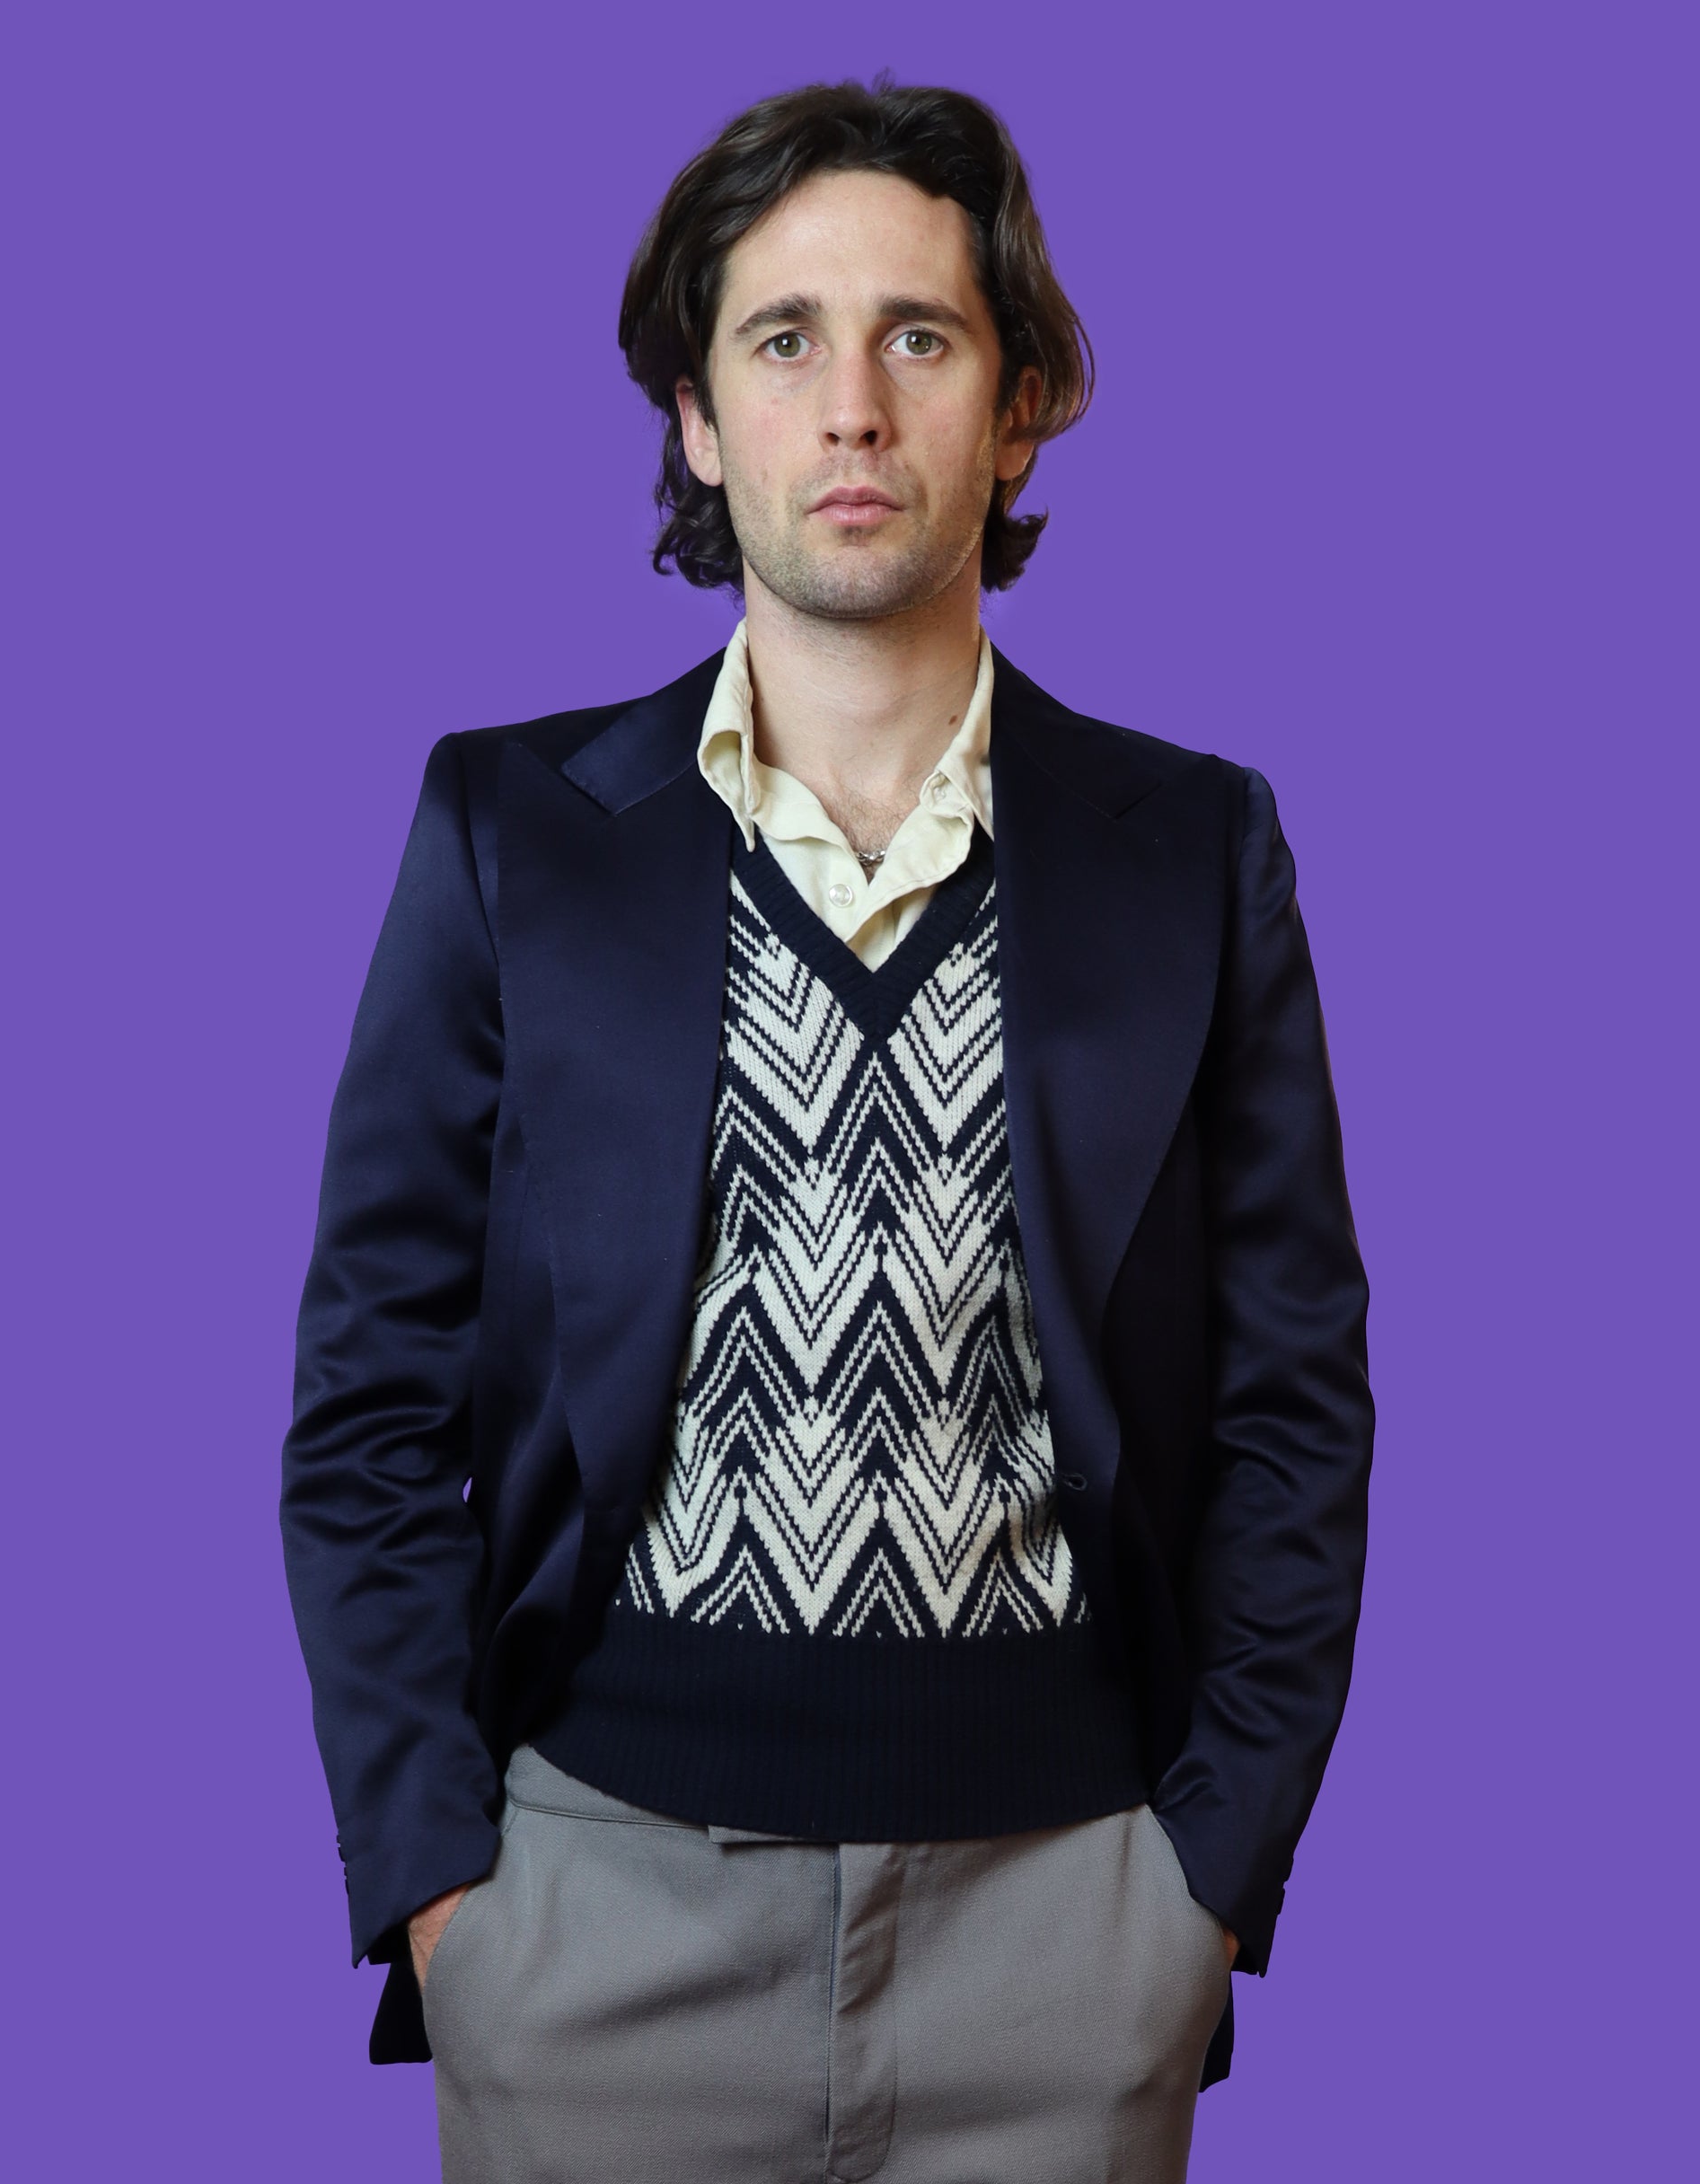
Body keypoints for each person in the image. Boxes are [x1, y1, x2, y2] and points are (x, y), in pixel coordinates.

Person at [281, 76, 1373, 2184]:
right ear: (698, 417)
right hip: (588, 1921)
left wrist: (1205, 1884)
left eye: (919, 337)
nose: (852, 407)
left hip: (1068, 1936)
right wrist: (443, 1885)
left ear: (1018, 409)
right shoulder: (512, 832)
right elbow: (368, 1393)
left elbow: (1293, 1401)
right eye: (782, 340)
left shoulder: (1194, 849)